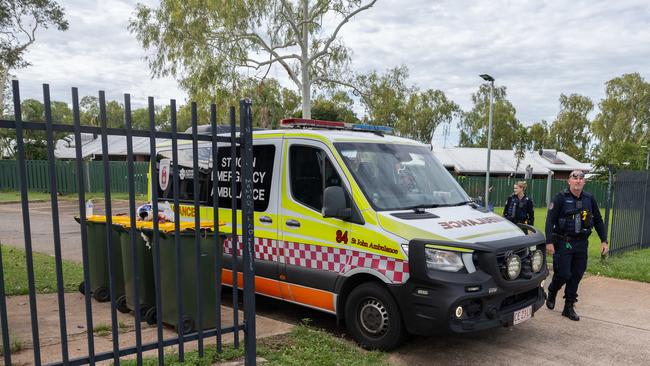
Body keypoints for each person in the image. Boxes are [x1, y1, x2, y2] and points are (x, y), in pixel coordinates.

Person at [545, 170, 609, 321]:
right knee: (563, 274)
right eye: (575, 178)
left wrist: (604, 240)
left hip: (581, 243)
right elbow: (550, 220)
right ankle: (553, 290)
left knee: (576, 275)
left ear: (584, 182)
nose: (578, 181)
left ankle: (568, 306)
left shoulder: (589, 199)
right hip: (563, 242)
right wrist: (548, 242)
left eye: (581, 178)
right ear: (569, 181)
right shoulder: (560, 198)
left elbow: (598, 220)